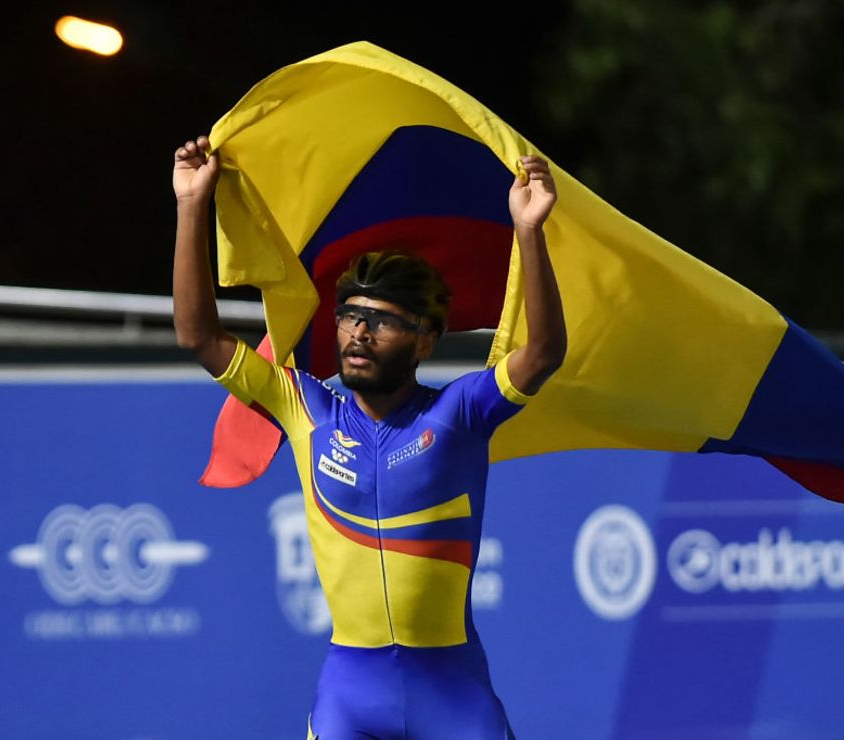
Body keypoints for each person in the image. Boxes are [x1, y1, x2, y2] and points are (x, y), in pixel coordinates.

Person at [172, 134, 566, 739]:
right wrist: (192, 205)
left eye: (383, 322)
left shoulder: (459, 412)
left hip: (453, 694)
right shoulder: (304, 406)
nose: (359, 332)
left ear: (426, 340)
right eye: (351, 316)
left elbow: (541, 353)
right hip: (351, 695)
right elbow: (199, 336)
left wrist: (530, 232)